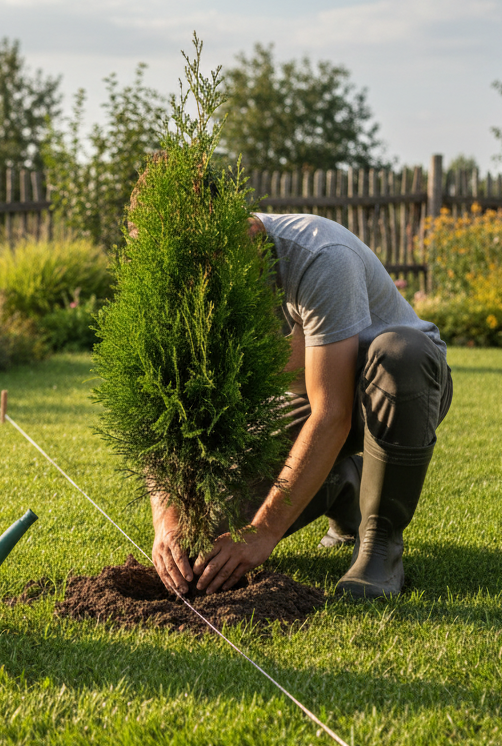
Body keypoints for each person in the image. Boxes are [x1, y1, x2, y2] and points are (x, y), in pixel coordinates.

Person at [151, 211, 452, 600]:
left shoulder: (322, 255)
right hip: (302, 401)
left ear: (252, 232)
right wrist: (168, 521)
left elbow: (332, 414)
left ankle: (380, 545)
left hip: (395, 392)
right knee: (205, 538)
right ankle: (345, 483)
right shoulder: (178, 282)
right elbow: (165, 418)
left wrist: (263, 533)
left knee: (400, 355)